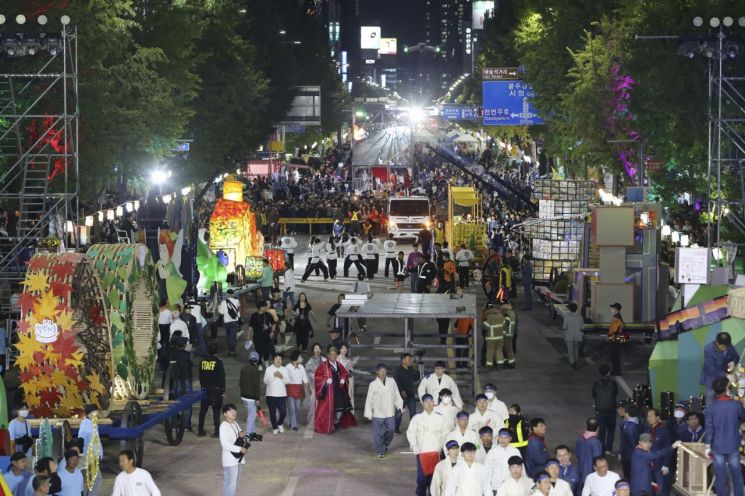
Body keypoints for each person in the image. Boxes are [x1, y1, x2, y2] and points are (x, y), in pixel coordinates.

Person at [705, 376, 745, 496]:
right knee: (736, 474)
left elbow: (709, 429)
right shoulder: (736, 405)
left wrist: (707, 446)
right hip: (733, 445)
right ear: (727, 388)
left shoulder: (711, 408)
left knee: (720, 476)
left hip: (717, 446)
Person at [407, 394, 449, 496]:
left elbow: (445, 433)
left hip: (436, 452)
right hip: (422, 452)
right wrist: (414, 446)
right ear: (422, 403)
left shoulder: (440, 418)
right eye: (426, 401)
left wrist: (441, 447)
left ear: (434, 402)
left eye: (431, 401)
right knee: (422, 479)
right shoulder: (417, 418)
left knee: (434, 479)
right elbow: (411, 432)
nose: (429, 403)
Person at [314, 345, 356, 434]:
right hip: (329, 393)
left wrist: (343, 379)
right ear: (328, 355)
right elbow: (317, 378)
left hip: (339, 391)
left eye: (335, 354)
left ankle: (335, 423)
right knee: (329, 410)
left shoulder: (339, 364)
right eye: (331, 354)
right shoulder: (323, 366)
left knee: (340, 411)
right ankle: (330, 424)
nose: (333, 356)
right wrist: (325, 381)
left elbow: (344, 373)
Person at [363, 363, 403, 458]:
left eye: (384, 370)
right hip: (378, 412)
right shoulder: (373, 384)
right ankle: (380, 450)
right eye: (381, 371)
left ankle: (383, 444)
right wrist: (369, 412)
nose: (383, 372)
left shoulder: (392, 381)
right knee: (378, 433)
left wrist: (399, 406)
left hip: (390, 411)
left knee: (391, 430)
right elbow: (369, 399)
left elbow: (396, 394)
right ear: (377, 372)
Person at [700, 332, 739, 406]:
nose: (725, 349)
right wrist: (726, 375)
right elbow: (712, 369)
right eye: (723, 347)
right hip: (711, 378)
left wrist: (733, 362)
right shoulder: (708, 350)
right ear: (717, 342)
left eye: (726, 347)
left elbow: (736, 357)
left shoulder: (729, 346)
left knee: (726, 400)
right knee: (710, 402)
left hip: (725, 379)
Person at [219, 404, 247, 496]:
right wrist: (240, 449)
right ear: (225, 414)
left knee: (235, 484)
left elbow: (239, 432)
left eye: (234, 410)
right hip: (230, 460)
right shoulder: (223, 426)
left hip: (237, 458)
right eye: (230, 411)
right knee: (230, 485)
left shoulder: (235, 423)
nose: (233, 412)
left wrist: (242, 433)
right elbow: (225, 444)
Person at [198, 343, 225, 437]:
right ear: (217, 352)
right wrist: (223, 390)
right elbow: (221, 377)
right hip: (216, 390)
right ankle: (216, 432)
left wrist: (202, 385)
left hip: (205, 389)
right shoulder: (218, 363)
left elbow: (200, 375)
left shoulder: (202, 362)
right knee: (216, 411)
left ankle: (200, 430)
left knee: (203, 411)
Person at [485, 428, 522, 493]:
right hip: (496, 487)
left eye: (506, 437)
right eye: (501, 437)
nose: (503, 440)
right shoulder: (492, 452)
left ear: (510, 439)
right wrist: (488, 491)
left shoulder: (515, 451)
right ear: (498, 438)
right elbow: (487, 472)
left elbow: (521, 469)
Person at [645, 408, 672, 496]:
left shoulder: (664, 431)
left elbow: (668, 448)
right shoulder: (646, 430)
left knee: (661, 490)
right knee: (649, 488)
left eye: (651, 416)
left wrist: (666, 465)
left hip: (659, 466)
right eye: (648, 416)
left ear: (658, 417)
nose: (648, 418)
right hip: (648, 465)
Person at [592, 366, 618, 456]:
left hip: (600, 411)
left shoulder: (596, 383)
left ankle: (601, 450)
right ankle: (608, 449)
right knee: (611, 430)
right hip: (611, 410)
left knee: (601, 431)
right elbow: (615, 394)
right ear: (609, 372)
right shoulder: (613, 383)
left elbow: (594, 395)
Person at [78, 404, 102, 495]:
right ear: (89, 414)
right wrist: (80, 455)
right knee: (97, 479)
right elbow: (80, 439)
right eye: (95, 411)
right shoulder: (85, 424)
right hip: (90, 457)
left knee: (93, 480)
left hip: (94, 456)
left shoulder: (93, 423)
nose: (97, 413)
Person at [393, 352, 419, 434]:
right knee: (399, 414)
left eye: (410, 360)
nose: (410, 361)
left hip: (410, 395)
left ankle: (413, 429)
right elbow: (396, 382)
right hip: (400, 397)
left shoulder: (411, 369)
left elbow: (415, 379)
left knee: (413, 413)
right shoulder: (397, 370)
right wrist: (401, 390)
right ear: (403, 360)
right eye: (408, 359)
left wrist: (417, 370)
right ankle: (395, 429)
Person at [239, 351, 262, 441]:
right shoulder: (255, 370)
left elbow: (240, 383)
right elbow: (256, 385)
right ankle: (248, 434)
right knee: (251, 416)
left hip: (244, 396)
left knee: (251, 415)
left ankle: (252, 433)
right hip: (251, 398)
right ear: (257, 360)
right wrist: (257, 398)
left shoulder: (243, 368)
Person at [264, 352, 289, 435]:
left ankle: (280, 423)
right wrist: (273, 376)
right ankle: (275, 427)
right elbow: (265, 381)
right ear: (273, 360)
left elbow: (288, 381)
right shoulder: (269, 369)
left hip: (282, 395)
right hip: (271, 395)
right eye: (276, 358)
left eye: (280, 359)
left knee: (283, 411)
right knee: (272, 413)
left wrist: (281, 377)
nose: (278, 360)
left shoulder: (284, 369)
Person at [576, 417, 604, 490]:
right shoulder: (596, 442)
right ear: (598, 428)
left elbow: (577, 454)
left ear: (586, 426)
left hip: (581, 472)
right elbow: (598, 461)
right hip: (591, 475)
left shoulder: (580, 439)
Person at [286, 350, 310, 432]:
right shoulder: (288, 367)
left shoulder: (301, 367)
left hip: (298, 389)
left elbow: (305, 379)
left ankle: (290, 420)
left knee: (297, 408)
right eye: (300, 357)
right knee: (292, 408)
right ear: (296, 358)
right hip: (290, 389)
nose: (301, 358)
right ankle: (293, 425)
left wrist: (308, 390)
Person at [618, 403, 641, 479]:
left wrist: (621, 453)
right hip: (632, 454)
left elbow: (632, 442)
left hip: (628, 455)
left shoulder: (629, 426)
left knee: (628, 475)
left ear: (627, 413)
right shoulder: (638, 421)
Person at [218, 290, 241, 356]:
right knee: (233, 336)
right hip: (234, 321)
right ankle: (232, 350)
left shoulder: (223, 302)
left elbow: (221, 313)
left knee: (228, 336)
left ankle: (229, 350)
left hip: (226, 321)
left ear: (227, 294)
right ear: (233, 294)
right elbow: (238, 308)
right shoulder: (237, 301)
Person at [607, 303, 627, 376]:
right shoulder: (618, 317)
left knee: (614, 356)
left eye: (612, 308)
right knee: (615, 356)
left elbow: (614, 331)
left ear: (616, 309)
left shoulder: (616, 318)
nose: (611, 310)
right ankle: (616, 370)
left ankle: (616, 371)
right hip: (617, 339)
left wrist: (610, 339)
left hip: (615, 339)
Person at [563, 302, 584, 369]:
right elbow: (582, 328)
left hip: (569, 336)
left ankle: (572, 363)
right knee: (576, 349)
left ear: (569, 309)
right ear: (576, 309)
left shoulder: (567, 316)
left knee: (570, 350)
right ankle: (576, 361)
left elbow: (564, 327)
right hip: (577, 336)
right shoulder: (580, 317)